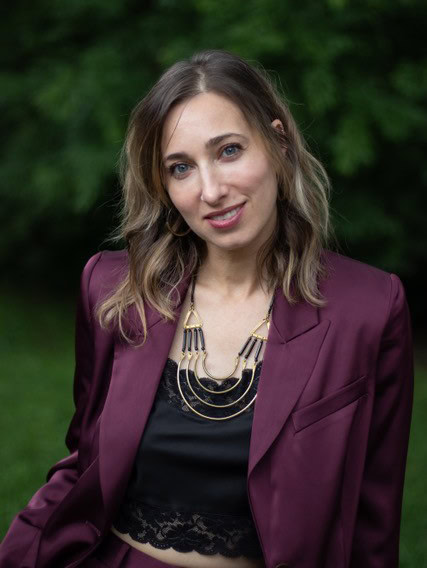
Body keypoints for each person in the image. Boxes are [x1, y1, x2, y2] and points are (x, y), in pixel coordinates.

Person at [0, 49, 414, 568]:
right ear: (164, 186)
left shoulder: (369, 309)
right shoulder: (114, 290)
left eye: (229, 151)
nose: (212, 191)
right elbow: (86, 463)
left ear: (278, 141)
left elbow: (372, 527)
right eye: (181, 168)